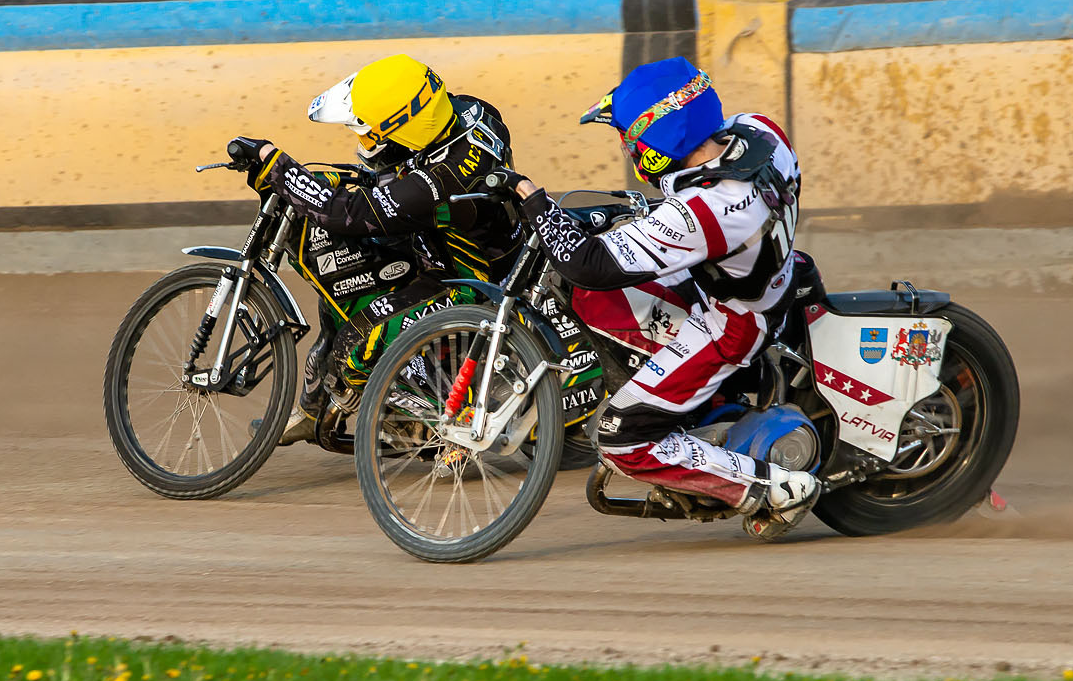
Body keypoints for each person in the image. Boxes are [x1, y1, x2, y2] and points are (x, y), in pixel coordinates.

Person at [513, 57, 821, 533]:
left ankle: (767, 488)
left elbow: (588, 264)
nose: (627, 148)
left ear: (655, 142)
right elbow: (687, 205)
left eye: (629, 137)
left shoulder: (704, 210)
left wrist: (534, 200)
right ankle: (700, 412)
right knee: (603, 292)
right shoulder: (760, 131)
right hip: (758, 274)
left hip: (731, 323)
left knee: (620, 439)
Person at [236, 54, 600, 445]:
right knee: (342, 289)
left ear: (403, 130)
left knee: (356, 343)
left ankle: (421, 419)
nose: (364, 144)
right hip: (455, 243)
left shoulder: (440, 178)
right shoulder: (471, 112)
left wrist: (274, 162)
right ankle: (314, 409)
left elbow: (350, 213)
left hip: (464, 281)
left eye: (369, 135)